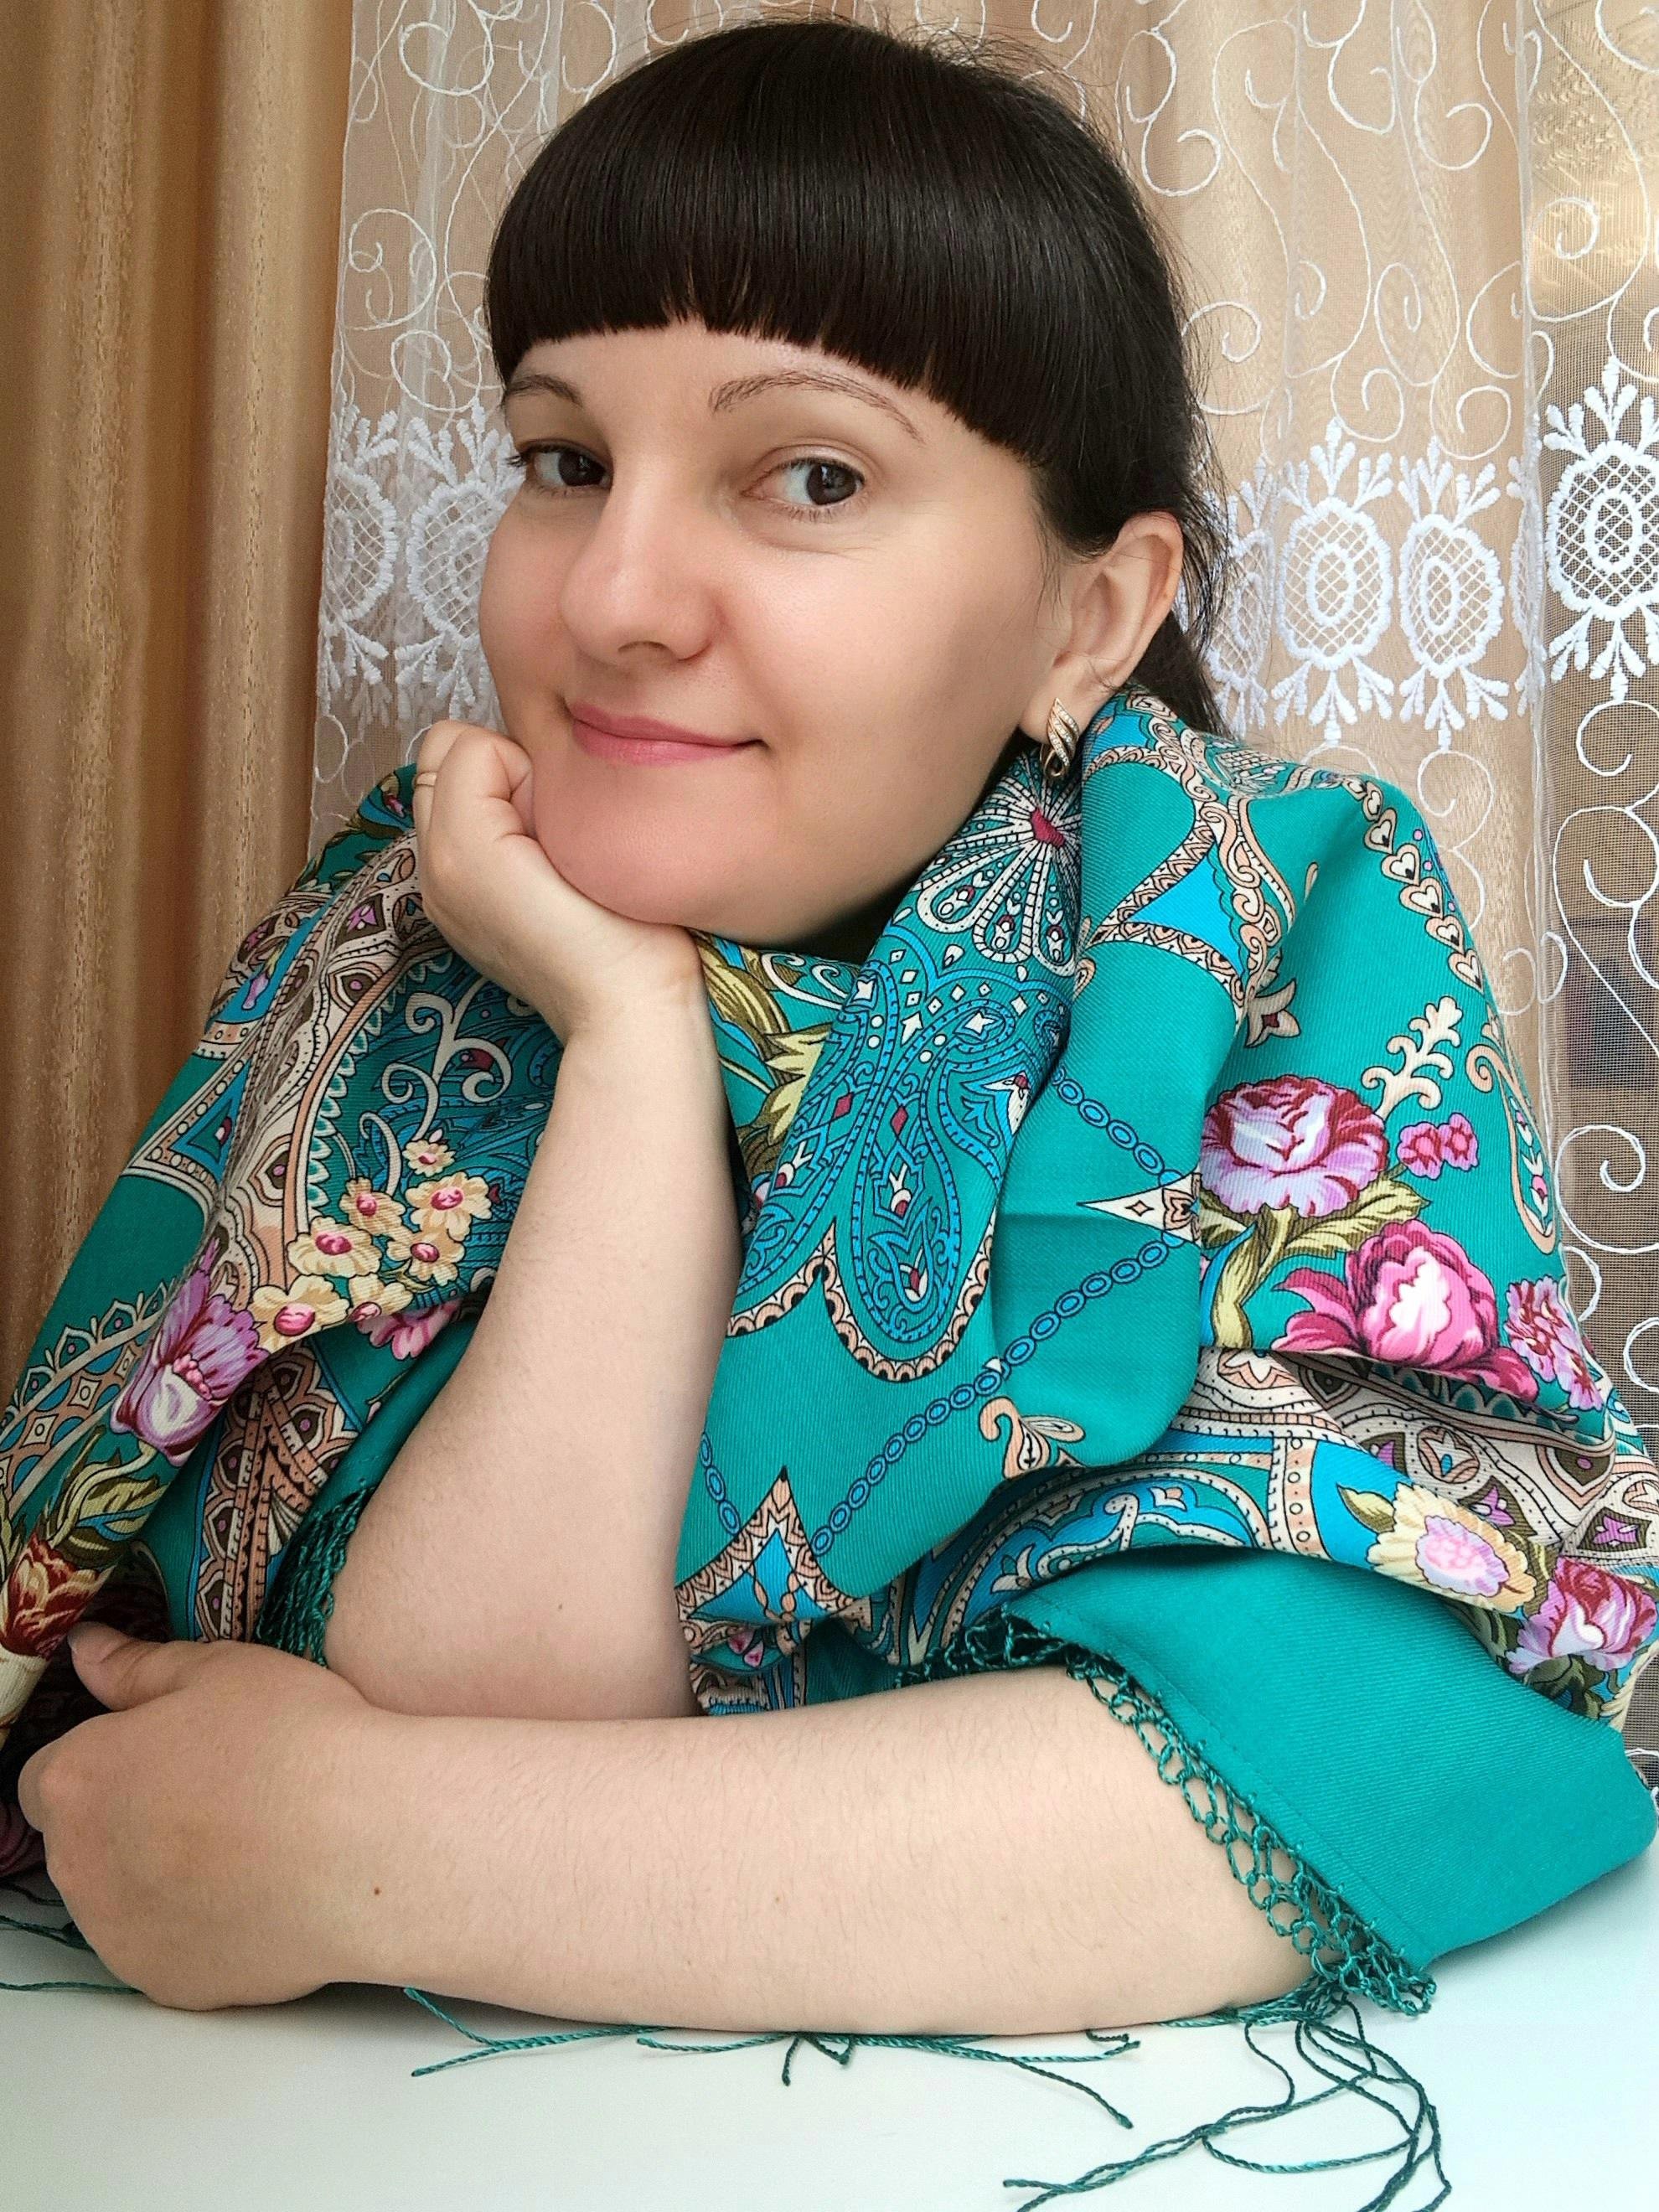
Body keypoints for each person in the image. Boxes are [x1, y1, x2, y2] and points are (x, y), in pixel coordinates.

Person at [3, 14, 1655, 2194]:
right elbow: (479, 1672)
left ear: (1089, 619)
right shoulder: (413, 934)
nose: (610, 601)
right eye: (562, 458)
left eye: (809, 479)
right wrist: (623, 1036)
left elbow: (1363, 1752)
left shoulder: (1261, 931)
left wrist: (349, 1845)